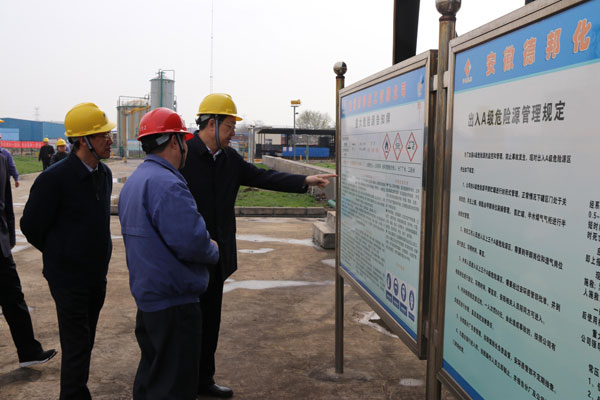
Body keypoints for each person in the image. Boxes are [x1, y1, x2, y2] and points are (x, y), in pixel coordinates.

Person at [181, 93, 335, 398]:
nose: (233, 133)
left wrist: (305, 180)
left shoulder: (229, 160)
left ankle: (204, 381)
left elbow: (265, 177)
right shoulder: (184, 155)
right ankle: (182, 384)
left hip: (217, 256)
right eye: (229, 126)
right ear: (211, 124)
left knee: (210, 322)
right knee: (185, 326)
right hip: (187, 257)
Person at [119, 107, 220, 399]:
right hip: (175, 305)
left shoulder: (135, 180)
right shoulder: (168, 183)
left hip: (149, 300)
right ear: (175, 142)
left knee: (152, 377)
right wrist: (213, 249)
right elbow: (192, 243)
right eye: (183, 140)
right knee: (175, 386)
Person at [21, 102, 115, 399]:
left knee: (85, 342)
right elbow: (31, 226)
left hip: (96, 275)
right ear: (83, 140)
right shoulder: (54, 179)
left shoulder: (104, 174)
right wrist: (61, 252)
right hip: (68, 279)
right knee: (76, 344)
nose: (110, 139)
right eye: (103, 135)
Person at [0, 151, 57, 368]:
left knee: (14, 298)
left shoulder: (2, 159)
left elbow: (5, 201)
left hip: (1, 247)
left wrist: (9, 237)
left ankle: (29, 352)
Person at [0, 122, 20, 188]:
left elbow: (11, 166)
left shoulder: (5, 153)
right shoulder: (5, 153)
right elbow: (11, 166)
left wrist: (16, 178)